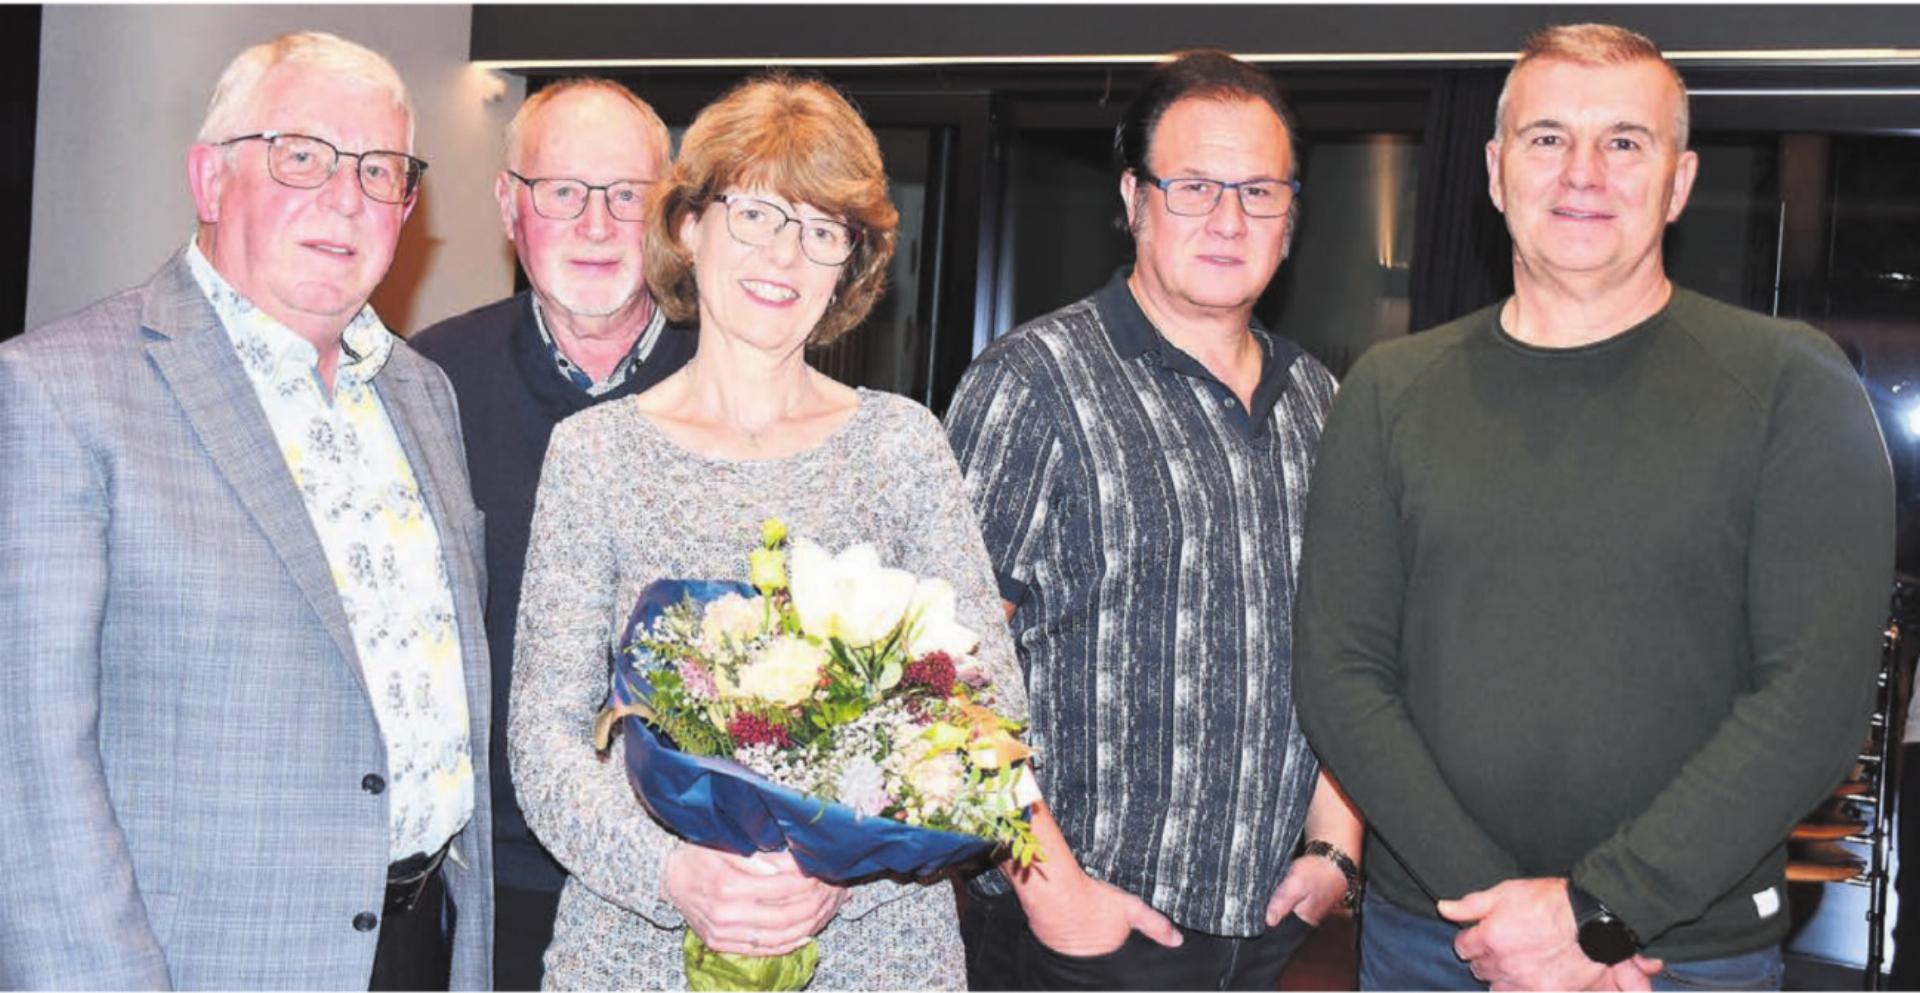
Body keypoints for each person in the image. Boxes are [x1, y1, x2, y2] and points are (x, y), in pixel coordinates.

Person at [509, 72, 1175, 990]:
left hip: (878, 949)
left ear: (848, 267)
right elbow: (545, 740)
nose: (785, 255)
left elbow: (990, 716)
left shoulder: (903, 445)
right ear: (690, 225)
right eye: (756, 214)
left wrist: (835, 870)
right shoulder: (595, 454)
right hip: (636, 949)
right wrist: (677, 875)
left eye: (823, 231)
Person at [1292, 23, 1894, 992]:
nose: (1583, 172)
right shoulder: (1386, 392)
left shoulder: (1792, 385)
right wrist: (1514, 920)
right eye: (1547, 138)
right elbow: (1341, 676)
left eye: (1624, 141)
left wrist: (1599, 912)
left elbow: (1812, 706)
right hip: (1436, 940)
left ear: (1679, 182)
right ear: (1495, 172)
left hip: (1680, 954)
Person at [0, 31, 493, 991]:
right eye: (302, 156)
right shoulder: (59, 392)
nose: (346, 198)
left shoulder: (422, 393)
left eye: (380, 170)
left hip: (424, 947)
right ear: (211, 180)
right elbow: (27, 776)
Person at [943, 49, 1364, 991]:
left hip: (1271, 931)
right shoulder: (1033, 384)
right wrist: (1054, 893)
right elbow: (942, 672)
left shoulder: (1321, 400)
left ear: (1291, 215)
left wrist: (1336, 843)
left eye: (1260, 191)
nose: (1229, 220)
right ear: (1135, 198)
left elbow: (1345, 641)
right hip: (1084, 940)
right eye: (1195, 186)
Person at [409, 77, 692, 991]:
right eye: (563, 191)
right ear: (508, 205)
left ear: (669, 214)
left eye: (627, 195)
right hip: (489, 883)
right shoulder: (425, 384)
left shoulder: (736, 382)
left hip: (697, 882)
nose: (597, 225)